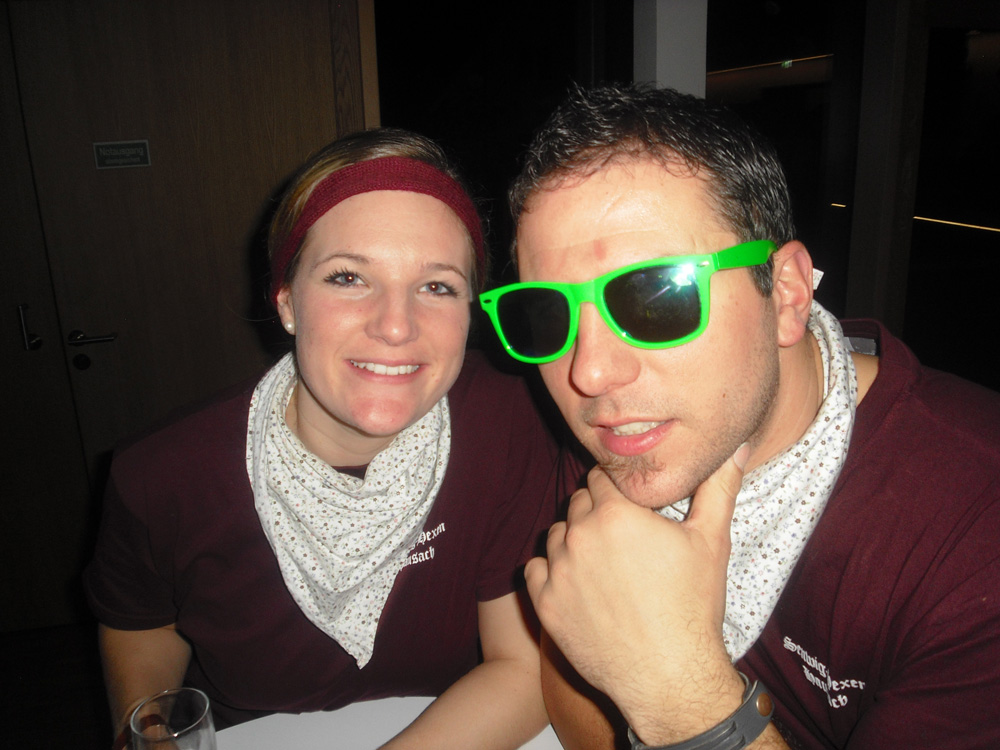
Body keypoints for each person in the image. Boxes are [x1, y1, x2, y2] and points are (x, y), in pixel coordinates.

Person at [478, 83, 1000, 750]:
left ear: (786, 293)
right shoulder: (628, 436)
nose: (590, 374)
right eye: (547, 313)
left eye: (654, 297)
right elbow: (572, 697)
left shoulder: (973, 542)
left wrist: (680, 695)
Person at [84, 127, 582, 750]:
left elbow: (521, 669)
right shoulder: (161, 473)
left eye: (437, 286)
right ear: (287, 301)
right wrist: (152, 732)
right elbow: (143, 623)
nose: (396, 326)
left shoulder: (509, 422)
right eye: (348, 277)